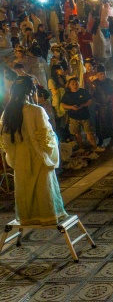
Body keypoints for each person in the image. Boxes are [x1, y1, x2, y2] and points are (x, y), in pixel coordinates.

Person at [0, 76, 68, 225]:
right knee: (43, 187)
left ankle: (27, 217)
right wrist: (49, 153)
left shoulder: (7, 113)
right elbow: (46, 136)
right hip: (38, 156)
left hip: (19, 157)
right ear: (31, 91)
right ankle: (48, 216)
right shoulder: (36, 111)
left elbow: (5, 141)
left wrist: (14, 156)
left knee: (25, 187)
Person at [61, 76, 100, 151]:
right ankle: (81, 148)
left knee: (89, 132)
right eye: (73, 84)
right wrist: (72, 107)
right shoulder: (67, 94)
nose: (75, 86)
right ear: (69, 85)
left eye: (76, 84)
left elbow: (90, 101)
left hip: (85, 116)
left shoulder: (83, 91)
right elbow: (63, 105)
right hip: (73, 117)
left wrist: (83, 105)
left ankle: (94, 147)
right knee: (77, 134)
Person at [90, 64, 113, 146]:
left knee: (111, 121)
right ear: (97, 74)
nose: (102, 75)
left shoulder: (109, 81)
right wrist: (101, 103)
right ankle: (101, 139)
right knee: (100, 124)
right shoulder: (94, 84)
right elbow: (93, 96)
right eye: (100, 74)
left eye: (104, 73)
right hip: (100, 107)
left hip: (109, 106)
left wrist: (109, 100)